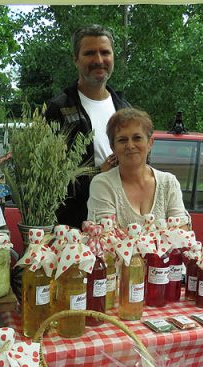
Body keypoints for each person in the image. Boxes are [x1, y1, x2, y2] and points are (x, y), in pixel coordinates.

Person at [45, 24, 131, 228]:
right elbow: (50, 181)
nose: (99, 60)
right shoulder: (59, 109)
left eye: (105, 52)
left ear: (113, 58)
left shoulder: (125, 109)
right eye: (90, 53)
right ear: (76, 59)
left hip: (120, 226)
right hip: (75, 228)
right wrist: (97, 173)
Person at [87, 108, 190, 228]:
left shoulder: (169, 183)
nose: (130, 146)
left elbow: (182, 231)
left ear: (150, 143)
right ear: (112, 147)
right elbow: (106, 237)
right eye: (122, 140)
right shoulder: (102, 184)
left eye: (137, 138)